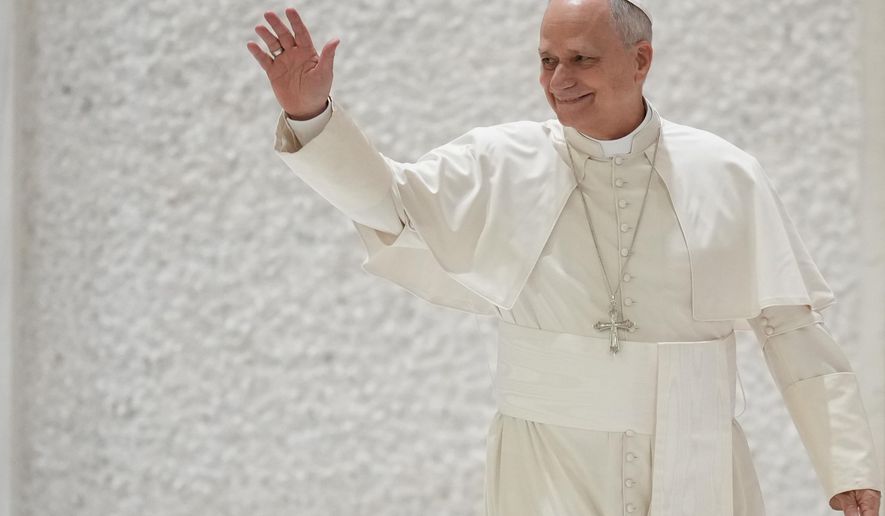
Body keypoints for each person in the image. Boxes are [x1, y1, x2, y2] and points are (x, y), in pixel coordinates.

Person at [246, 1, 883, 515]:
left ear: (641, 60)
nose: (559, 82)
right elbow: (390, 206)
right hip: (549, 460)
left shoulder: (725, 172)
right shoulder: (499, 162)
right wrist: (311, 113)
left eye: (581, 59)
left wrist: (847, 466)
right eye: (547, 61)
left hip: (697, 453)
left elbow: (790, 325)